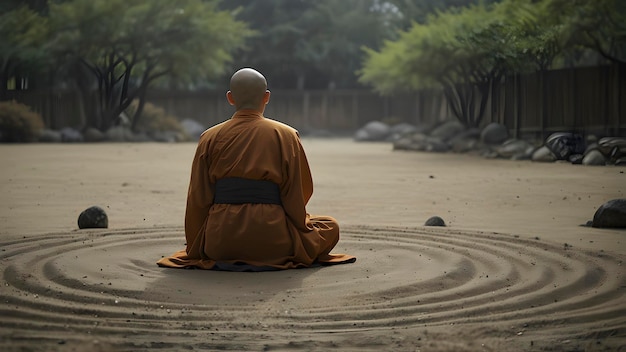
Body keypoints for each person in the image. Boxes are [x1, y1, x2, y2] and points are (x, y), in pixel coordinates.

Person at [157, 68, 355, 271]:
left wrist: (197, 245)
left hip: (220, 243)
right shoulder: (286, 135)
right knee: (329, 225)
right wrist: (295, 224)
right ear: (266, 97)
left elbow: (198, 199)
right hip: (273, 240)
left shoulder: (209, 137)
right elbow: (298, 192)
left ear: (230, 98)